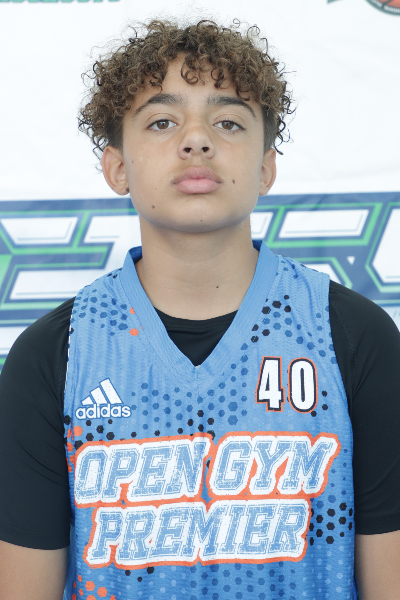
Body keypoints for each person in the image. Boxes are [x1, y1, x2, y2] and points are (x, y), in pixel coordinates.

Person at [0, 19, 399, 600]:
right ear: (117, 168)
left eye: (228, 122)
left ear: (265, 168)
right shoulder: (55, 354)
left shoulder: (353, 336)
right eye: (162, 122)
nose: (196, 140)